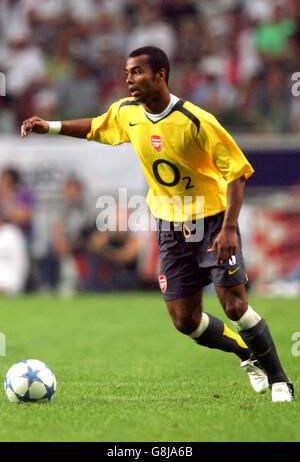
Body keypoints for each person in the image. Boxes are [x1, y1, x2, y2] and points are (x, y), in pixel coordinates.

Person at [21, 46, 294, 402]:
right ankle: (247, 355)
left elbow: (238, 174)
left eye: (136, 72)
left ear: (160, 75)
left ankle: (279, 379)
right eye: (127, 73)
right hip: (170, 227)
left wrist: (228, 228)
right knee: (185, 320)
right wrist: (51, 126)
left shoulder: (197, 120)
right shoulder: (127, 112)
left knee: (234, 306)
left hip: (212, 222)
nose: (129, 80)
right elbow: (95, 127)